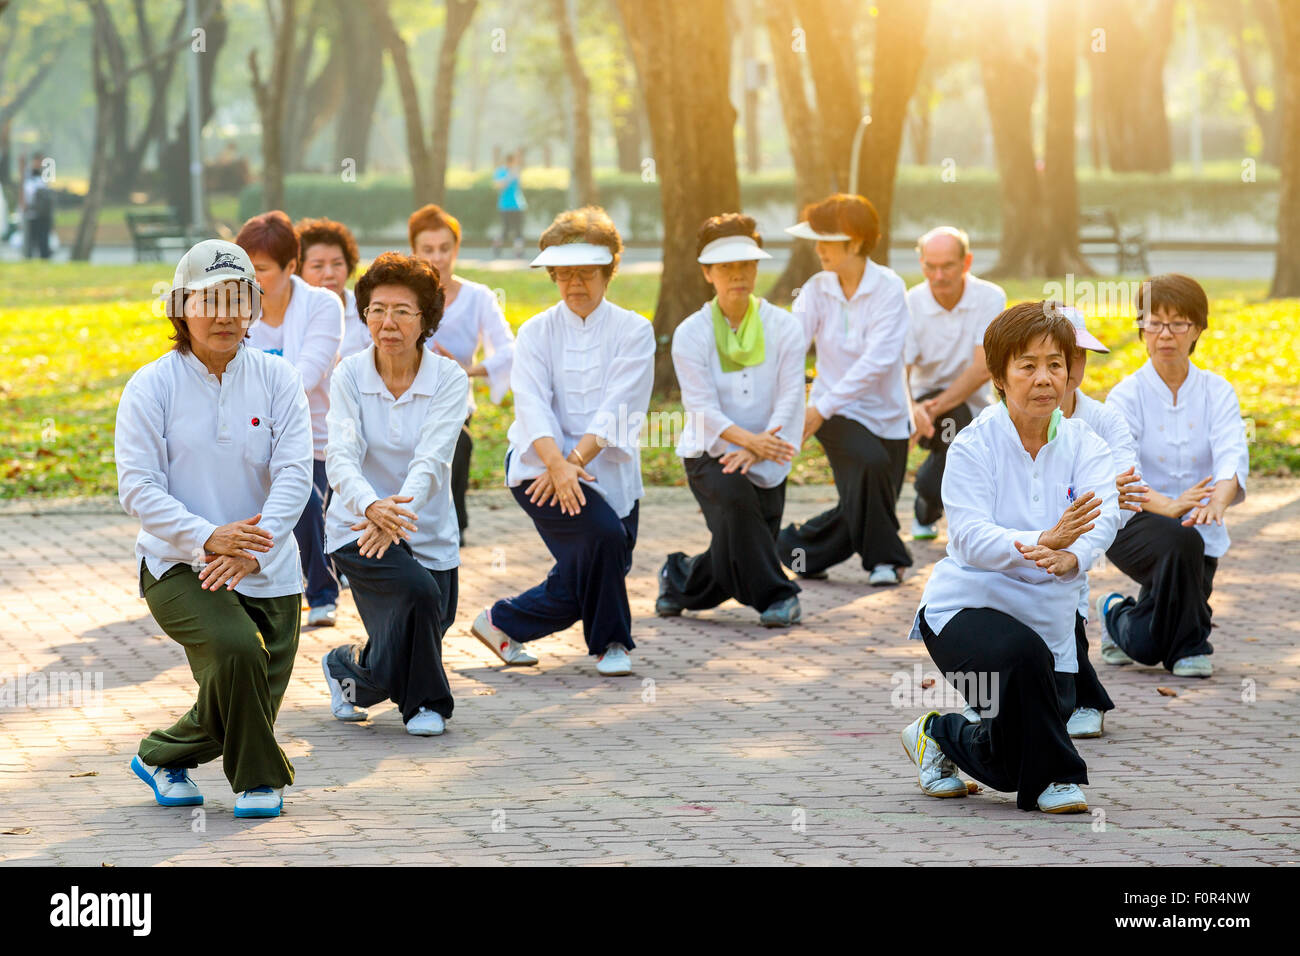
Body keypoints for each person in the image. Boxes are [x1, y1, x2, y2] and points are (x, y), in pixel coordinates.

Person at [116, 239, 313, 819]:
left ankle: (160, 756)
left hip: (268, 564)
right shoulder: (150, 386)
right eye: (210, 300)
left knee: (246, 698)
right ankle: (258, 782)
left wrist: (253, 550)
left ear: (254, 307)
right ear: (181, 307)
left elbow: (296, 475)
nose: (225, 315)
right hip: (179, 563)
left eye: (239, 300)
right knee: (236, 653)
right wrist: (207, 537)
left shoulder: (280, 381)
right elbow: (139, 489)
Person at [900, 301, 1119, 814]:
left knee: (1010, 757)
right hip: (967, 609)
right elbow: (971, 538)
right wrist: (1044, 539)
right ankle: (1060, 780)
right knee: (1024, 664)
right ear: (999, 377)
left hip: (1048, 615)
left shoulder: (1087, 443)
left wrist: (1076, 556)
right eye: (1028, 366)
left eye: (1056, 365)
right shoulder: (974, 445)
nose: (1044, 379)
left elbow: (1102, 514)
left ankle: (936, 733)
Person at [471, 206, 654, 675]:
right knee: (606, 541)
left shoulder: (634, 330)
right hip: (539, 470)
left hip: (607, 469)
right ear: (552, 275)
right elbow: (531, 404)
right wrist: (557, 465)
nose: (576, 284)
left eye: (587, 273)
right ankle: (611, 644)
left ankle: (499, 623)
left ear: (609, 272)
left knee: (598, 569)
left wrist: (573, 462)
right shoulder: (535, 332)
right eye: (565, 273)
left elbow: (620, 405)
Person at [321, 252, 468, 736]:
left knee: (416, 633)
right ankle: (427, 704)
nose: (388, 322)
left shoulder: (449, 379)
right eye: (377, 309)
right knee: (417, 593)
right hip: (357, 527)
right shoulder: (348, 375)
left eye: (403, 311)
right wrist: (371, 508)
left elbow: (433, 459)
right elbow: (340, 455)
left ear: (425, 320)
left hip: (425, 527)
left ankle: (346, 668)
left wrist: (395, 515)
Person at [656, 214, 805, 627]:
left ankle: (677, 579)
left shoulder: (786, 327)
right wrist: (746, 443)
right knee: (737, 504)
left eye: (745, 265)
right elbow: (700, 407)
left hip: (771, 451)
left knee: (734, 546)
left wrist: (762, 446)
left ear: (757, 268)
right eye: (725, 267)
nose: (737, 275)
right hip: (709, 452)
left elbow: (792, 395)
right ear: (707, 272)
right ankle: (781, 595)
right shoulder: (691, 332)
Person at [1097, 274, 1249, 679]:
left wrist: (1219, 499)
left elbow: (1232, 450)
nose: (1165, 334)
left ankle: (1116, 613)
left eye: (1178, 322)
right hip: (1135, 520)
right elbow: (1122, 471)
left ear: (1197, 328)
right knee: (1182, 540)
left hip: (1201, 522)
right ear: (1142, 328)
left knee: (1149, 641)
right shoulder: (1125, 396)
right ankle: (1194, 646)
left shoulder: (1218, 391)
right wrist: (1168, 505)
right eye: (1154, 322)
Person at [775, 194, 913, 586]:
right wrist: (809, 406)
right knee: (869, 466)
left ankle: (795, 549)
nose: (818, 250)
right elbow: (791, 346)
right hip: (832, 410)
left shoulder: (889, 288)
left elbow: (880, 359)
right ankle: (887, 561)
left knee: (869, 500)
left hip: (887, 412)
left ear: (854, 242)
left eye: (826, 240)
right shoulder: (816, 289)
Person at [237, 211, 345, 628]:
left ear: (291, 267)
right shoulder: (238, 308)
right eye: (245, 267)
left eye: (260, 269)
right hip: (250, 436)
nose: (250, 278)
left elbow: (307, 374)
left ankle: (321, 592)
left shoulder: (322, 305)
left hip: (312, 433)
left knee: (304, 499)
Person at [409, 203, 516, 544]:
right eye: (428, 249)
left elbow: (509, 350)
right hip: (403, 399)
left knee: (456, 450)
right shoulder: (404, 294)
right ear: (414, 251)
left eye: (444, 248)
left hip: (454, 404)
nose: (437, 257)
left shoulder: (478, 298)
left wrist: (467, 370)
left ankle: (451, 533)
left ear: (456, 249)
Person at [904, 226, 1006, 540]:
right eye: (929, 266)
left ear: (967, 262)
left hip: (972, 404)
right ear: (921, 264)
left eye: (947, 265)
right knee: (956, 425)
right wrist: (912, 411)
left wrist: (931, 410)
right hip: (923, 401)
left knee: (979, 453)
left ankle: (926, 496)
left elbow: (982, 368)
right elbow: (899, 371)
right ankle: (965, 528)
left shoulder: (990, 297)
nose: (938, 275)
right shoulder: (909, 303)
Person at [296, 216, 369, 359]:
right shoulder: (291, 311)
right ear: (297, 269)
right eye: (317, 266)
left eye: (337, 264)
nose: (329, 274)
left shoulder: (365, 309)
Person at [492, 150, 527, 258]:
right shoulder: (500, 172)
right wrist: (509, 177)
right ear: (507, 162)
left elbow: (520, 186)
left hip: (518, 205)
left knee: (518, 230)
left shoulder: (516, 171)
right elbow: (498, 186)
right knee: (505, 230)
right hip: (505, 205)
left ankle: (518, 251)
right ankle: (497, 246)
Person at [21, 153, 54, 260]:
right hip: (31, 213)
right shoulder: (27, 175)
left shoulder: (44, 176)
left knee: (43, 240)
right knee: (30, 240)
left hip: (43, 214)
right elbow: (24, 191)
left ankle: (44, 258)